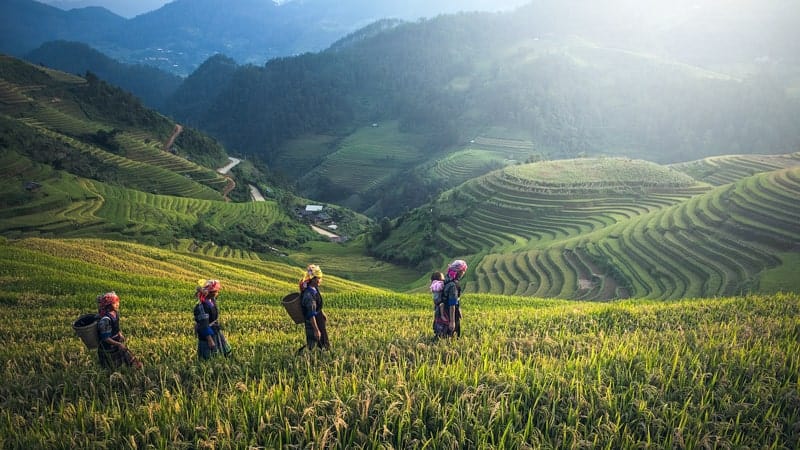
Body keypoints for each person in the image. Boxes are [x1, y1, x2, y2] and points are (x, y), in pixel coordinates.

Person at [96, 291, 143, 370]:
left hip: (116, 341)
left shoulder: (115, 313)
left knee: (125, 355)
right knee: (112, 366)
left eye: (118, 302)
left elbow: (116, 327)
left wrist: (119, 334)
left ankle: (135, 366)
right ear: (109, 305)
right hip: (108, 346)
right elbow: (105, 338)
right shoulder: (105, 320)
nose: (117, 304)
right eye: (115, 303)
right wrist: (118, 344)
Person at [193, 279, 231, 359]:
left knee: (223, 353)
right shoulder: (202, 306)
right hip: (208, 335)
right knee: (209, 356)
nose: (217, 293)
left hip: (215, 330)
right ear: (211, 293)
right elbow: (204, 325)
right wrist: (210, 340)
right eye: (216, 291)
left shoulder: (211, 300)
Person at [298, 268, 330, 354]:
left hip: (318, 318)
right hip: (312, 322)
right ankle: (301, 356)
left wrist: (322, 313)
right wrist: (316, 330)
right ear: (312, 279)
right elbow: (311, 314)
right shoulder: (308, 295)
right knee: (312, 342)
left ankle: (322, 355)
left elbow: (317, 305)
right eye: (319, 278)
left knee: (323, 341)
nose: (320, 280)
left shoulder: (314, 289)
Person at [441, 259, 468, 337]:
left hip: (442, 311)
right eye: (463, 271)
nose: (463, 273)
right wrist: (452, 322)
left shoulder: (446, 278)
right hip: (450, 313)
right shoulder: (453, 285)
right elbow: (452, 304)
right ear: (459, 272)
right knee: (452, 336)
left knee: (442, 333)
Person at [430, 271, 449, 338]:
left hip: (436, 301)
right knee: (442, 307)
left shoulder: (433, 284)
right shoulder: (439, 283)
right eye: (442, 277)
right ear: (439, 278)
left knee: (437, 315)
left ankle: (437, 331)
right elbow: (443, 285)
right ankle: (442, 316)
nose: (443, 278)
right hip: (439, 300)